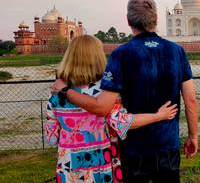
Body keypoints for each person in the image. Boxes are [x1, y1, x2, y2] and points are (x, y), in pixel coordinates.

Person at [52, 0, 199, 183]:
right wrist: (193, 136)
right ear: (156, 19)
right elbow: (191, 100)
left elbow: (102, 107)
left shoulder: (121, 54)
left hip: (134, 148)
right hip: (167, 144)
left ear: (128, 20)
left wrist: (65, 91)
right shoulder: (176, 51)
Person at [46, 35, 178, 183]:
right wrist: (159, 116)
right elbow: (123, 123)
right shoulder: (106, 92)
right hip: (102, 166)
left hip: (69, 168)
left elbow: (51, 139)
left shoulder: (56, 95)